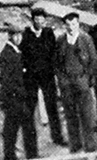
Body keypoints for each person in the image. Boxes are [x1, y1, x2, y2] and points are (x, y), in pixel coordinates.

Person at [21, 8, 65, 149]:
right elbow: (22, 55)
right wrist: (25, 70)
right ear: (32, 20)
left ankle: (57, 137)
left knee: (52, 106)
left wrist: (53, 70)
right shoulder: (26, 34)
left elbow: (53, 52)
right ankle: (30, 143)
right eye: (37, 19)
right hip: (31, 77)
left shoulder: (48, 33)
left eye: (42, 19)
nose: (39, 22)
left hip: (47, 75)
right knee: (30, 108)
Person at [57, 10, 97, 152]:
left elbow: (94, 59)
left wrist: (88, 78)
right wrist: (62, 79)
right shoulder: (60, 40)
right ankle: (75, 144)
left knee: (87, 114)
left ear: (78, 24)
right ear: (65, 25)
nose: (71, 27)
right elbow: (56, 63)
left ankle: (90, 145)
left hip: (82, 81)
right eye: (68, 24)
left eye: (74, 24)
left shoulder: (86, 39)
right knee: (70, 114)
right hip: (67, 83)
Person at [0, 24, 35, 160]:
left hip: (17, 95)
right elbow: (6, 79)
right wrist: (19, 92)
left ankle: (14, 156)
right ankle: (12, 156)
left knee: (16, 126)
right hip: (13, 96)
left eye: (20, 35)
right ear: (10, 36)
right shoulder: (7, 54)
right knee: (14, 127)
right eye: (16, 35)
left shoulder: (15, 51)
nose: (19, 38)